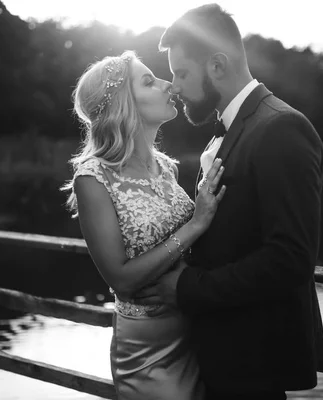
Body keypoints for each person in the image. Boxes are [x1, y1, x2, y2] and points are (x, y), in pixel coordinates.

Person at [134, 4, 323, 400]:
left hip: (253, 364)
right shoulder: (231, 128)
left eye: (182, 73)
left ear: (217, 66)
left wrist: (188, 287)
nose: (175, 86)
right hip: (218, 358)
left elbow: (290, 259)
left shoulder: (281, 128)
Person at [61, 50, 226, 400]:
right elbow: (120, 278)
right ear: (124, 105)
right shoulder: (92, 178)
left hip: (195, 325)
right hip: (149, 349)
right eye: (149, 81)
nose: (168, 85)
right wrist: (195, 225)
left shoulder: (167, 168)